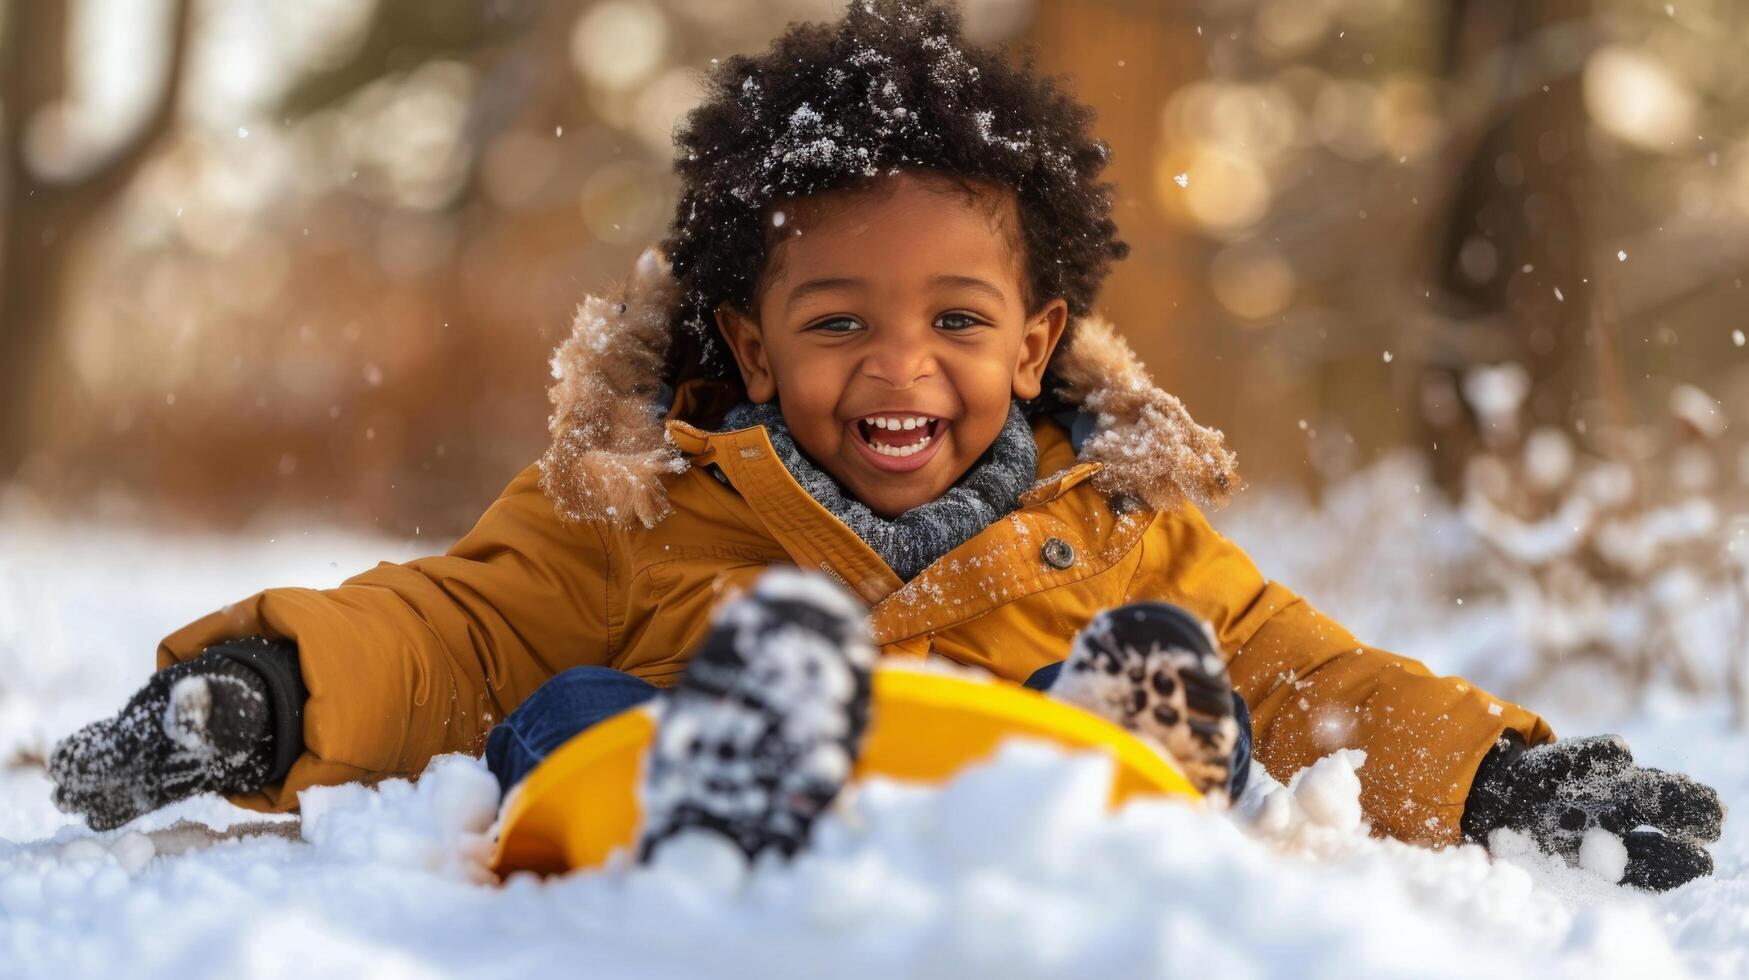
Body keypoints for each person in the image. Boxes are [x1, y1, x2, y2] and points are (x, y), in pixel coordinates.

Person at [47, 0, 1721, 890]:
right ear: (748, 341)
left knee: (1181, 667)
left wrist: (1503, 776)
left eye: (957, 324)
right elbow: (446, 629)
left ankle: (1122, 749)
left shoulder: (1116, 534)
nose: (896, 367)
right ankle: (726, 747)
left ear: (1041, 340)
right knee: (557, 704)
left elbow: (1317, 678)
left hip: (1035, 826)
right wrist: (266, 690)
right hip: (667, 809)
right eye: (838, 321)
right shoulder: (640, 512)